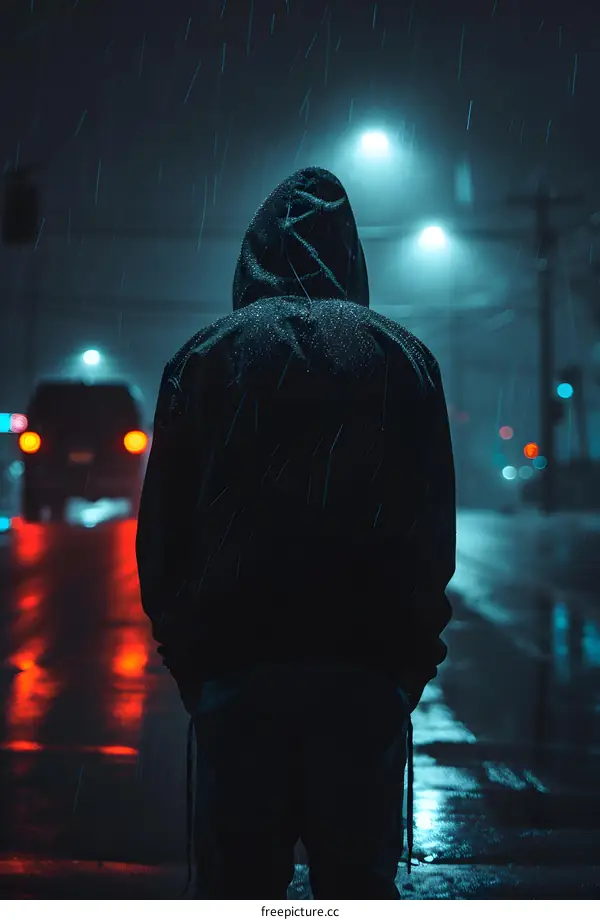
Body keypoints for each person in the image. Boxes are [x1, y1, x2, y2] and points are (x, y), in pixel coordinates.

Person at [135, 166, 456, 900]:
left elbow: (164, 538)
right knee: (356, 890)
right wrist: (404, 669)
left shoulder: (206, 359)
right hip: (362, 679)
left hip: (241, 679)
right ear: (351, 257)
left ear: (251, 257)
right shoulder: (404, 360)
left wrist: (195, 662)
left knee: (241, 891)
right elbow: (430, 534)